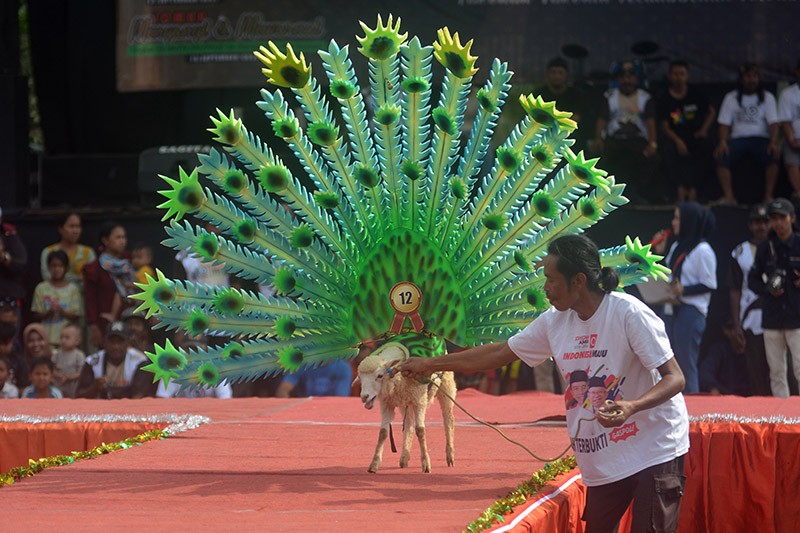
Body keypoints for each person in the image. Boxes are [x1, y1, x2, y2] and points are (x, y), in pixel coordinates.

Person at [398, 234, 689, 532]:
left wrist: (632, 406)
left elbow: (675, 377)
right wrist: (428, 364)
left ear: (577, 281)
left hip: (655, 447)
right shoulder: (554, 322)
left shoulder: (628, 314)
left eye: (551, 280)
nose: (545, 288)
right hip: (605, 457)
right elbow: (499, 352)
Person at [662, 202, 717, 394]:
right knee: (669, 364)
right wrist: (659, 252)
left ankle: (693, 412)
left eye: (677, 218)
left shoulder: (703, 250)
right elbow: (669, 273)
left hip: (691, 312)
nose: (673, 222)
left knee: (686, 364)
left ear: (688, 221)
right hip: (672, 309)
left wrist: (683, 289)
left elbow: (709, 284)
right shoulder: (677, 245)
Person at [748, 198, 800, 398]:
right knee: (777, 372)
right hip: (772, 317)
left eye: (782, 218)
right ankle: (783, 418)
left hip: (796, 317)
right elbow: (752, 280)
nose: (778, 223)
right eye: (774, 218)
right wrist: (768, 289)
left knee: (799, 368)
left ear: (792, 218)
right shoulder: (765, 248)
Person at [592, 60, 659, 204]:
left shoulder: (645, 98)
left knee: (651, 158)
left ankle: (637, 192)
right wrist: (598, 138)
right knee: (599, 155)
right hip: (615, 139)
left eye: (630, 77)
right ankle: (605, 196)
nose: (626, 80)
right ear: (618, 79)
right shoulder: (609, 96)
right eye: (623, 77)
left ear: (636, 78)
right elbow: (602, 119)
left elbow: (650, 121)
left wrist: (653, 143)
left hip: (637, 139)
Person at [714, 63, 780, 205]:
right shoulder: (731, 97)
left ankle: (768, 198)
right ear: (741, 79)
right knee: (721, 155)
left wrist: (773, 142)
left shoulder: (767, 97)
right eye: (748, 76)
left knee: (773, 155)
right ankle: (729, 198)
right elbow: (724, 124)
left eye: (755, 76)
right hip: (738, 139)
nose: (752, 80)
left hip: (761, 138)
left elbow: (774, 124)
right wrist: (723, 142)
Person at [656, 59, 716, 202]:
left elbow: (711, 112)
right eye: (675, 74)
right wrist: (678, 141)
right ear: (670, 76)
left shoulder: (696, 93)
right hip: (674, 135)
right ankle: (680, 188)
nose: (678, 77)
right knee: (668, 151)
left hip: (694, 134)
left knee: (706, 147)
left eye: (682, 74)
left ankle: (694, 189)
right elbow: (664, 126)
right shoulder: (664, 97)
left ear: (687, 76)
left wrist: (704, 130)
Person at [729, 203, 772, 395]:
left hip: (779, 318)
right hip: (751, 319)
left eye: (764, 221)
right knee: (757, 372)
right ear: (750, 225)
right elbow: (734, 290)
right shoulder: (740, 252)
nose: (760, 226)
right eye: (756, 222)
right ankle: (762, 419)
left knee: (781, 371)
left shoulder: (780, 247)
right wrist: (736, 325)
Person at [83, 222, 133, 349]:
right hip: (104, 325)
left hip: (129, 323)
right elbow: (90, 300)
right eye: (118, 237)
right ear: (105, 240)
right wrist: (93, 327)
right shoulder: (94, 268)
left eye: (124, 237)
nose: (123, 241)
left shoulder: (130, 262)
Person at [76, 321, 152, 399]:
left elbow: (138, 396)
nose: (116, 346)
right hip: (100, 408)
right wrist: (94, 387)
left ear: (128, 343)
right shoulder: (92, 361)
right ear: (104, 342)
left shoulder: (139, 361)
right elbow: (79, 395)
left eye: (120, 341)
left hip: (130, 408)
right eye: (112, 341)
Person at [30, 250, 83, 348]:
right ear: (48, 267)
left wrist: (62, 311)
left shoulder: (73, 289)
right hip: (45, 340)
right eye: (53, 266)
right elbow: (35, 315)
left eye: (60, 266)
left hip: (67, 342)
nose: (56, 269)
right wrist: (48, 313)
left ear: (66, 268)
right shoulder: (41, 288)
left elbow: (76, 316)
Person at [534, 57, 588, 150]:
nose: (556, 76)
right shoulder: (538, 95)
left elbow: (575, 119)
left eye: (560, 73)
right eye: (553, 72)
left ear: (566, 75)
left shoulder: (577, 95)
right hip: (543, 142)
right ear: (547, 74)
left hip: (571, 142)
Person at [39, 212, 96, 289]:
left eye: (78, 226)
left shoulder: (88, 252)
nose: (75, 231)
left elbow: (92, 278)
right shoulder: (49, 251)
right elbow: (47, 277)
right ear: (60, 229)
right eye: (71, 226)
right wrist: (77, 278)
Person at [699, 322, 752, 396]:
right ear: (726, 331)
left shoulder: (754, 352)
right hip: (725, 398)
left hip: (751, 400)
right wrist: (713, 388)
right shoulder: (720, 350)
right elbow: (705, 375)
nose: (740, 334)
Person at [778, 60, 800, 199]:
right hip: (795, 139)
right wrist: (792, 140)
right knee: (791, 160)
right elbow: (785, 121)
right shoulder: (788, 94)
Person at [275, 358, 353, 398]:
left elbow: (341, 399)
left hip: (331, 410)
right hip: (304, 410)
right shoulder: (303, 365)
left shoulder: (343, 367)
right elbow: (282, 391)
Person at [52, 323, 86, 398]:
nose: (63, 340)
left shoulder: (79, 355)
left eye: (67, 338)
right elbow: (51, 369)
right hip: (58, 387)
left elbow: (82, 372)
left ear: (77, 341)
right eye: (61, 337)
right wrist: (58, 375)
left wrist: (69, 378)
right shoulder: (56, 354)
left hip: (73, 388)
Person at [0, 321, 26, 390]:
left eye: (5, 344)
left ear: (12, 341)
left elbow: (23, 387)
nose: (1, 347)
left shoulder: (19, 361)